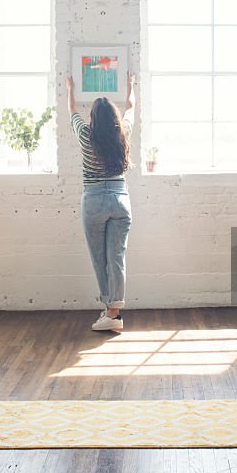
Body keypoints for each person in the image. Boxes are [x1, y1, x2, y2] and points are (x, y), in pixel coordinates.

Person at [65, 72, 137, 332]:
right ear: (114, 119)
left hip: (94, 200)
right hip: (120, 199)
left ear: (94, 118)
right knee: (116, 257)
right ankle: (113, 311)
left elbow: (71, 110)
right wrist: (131, 85)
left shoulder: (86, 135)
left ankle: (112, 314)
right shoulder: (122, 134)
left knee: (100, 258)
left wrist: (70, 87)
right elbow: (131, 107)